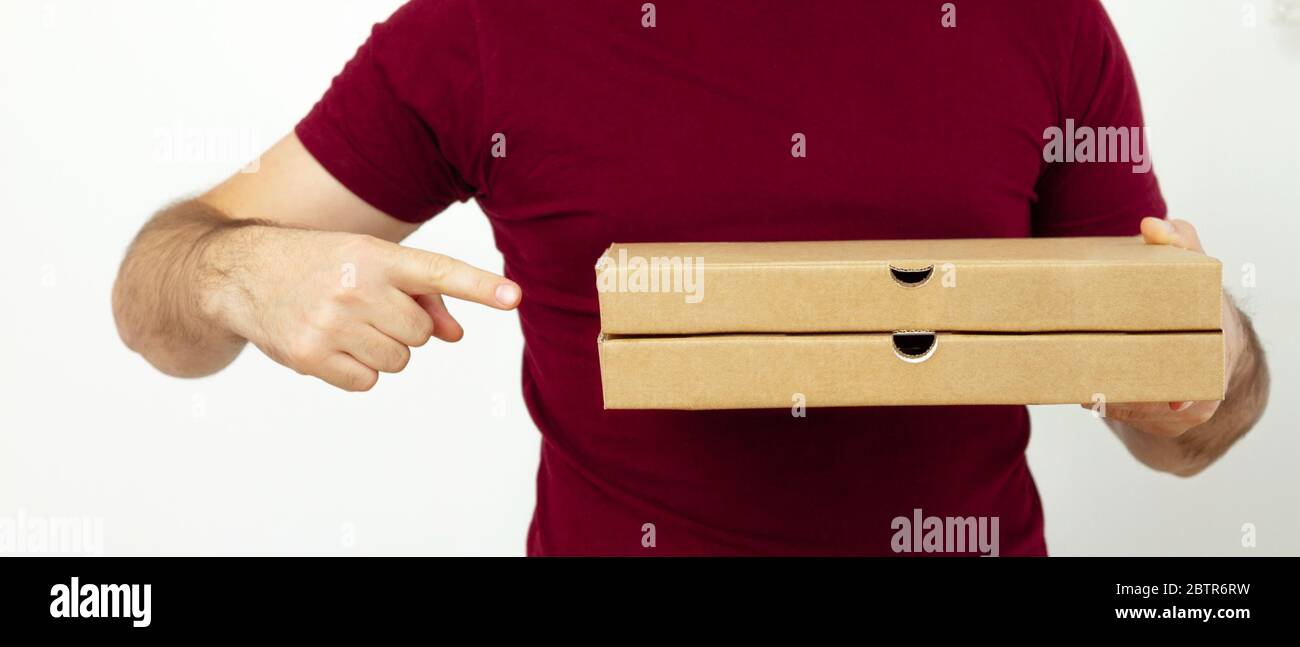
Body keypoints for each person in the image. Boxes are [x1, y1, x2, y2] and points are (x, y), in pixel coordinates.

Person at [111, 0, 1270, 555]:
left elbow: (1185, 431)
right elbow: (159, 296)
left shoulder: (1041, 24)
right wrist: (237, 270)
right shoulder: (481, 31)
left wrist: (1206, 364)